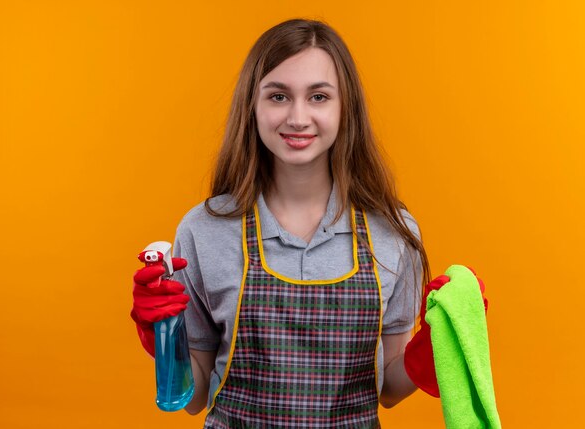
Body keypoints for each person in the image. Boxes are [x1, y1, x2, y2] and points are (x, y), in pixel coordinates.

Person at [131, 18, 475, 428]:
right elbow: (195, 398)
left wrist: (439, 347)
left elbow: (388, 390)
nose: (297, 117)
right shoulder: (204, 230)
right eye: (278, 96)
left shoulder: (394, 232)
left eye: (318, 96)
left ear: (344, 107)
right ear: (252, 106)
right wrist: (166, 342)